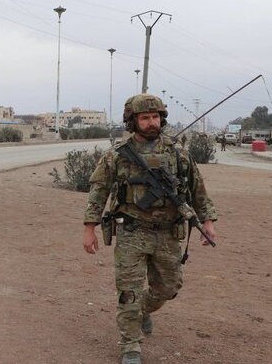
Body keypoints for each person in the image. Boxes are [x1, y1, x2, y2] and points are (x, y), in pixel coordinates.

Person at [82, 94, 218, 364]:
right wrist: (90, 228)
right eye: (145, 118)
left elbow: (197, 189)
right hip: (132, 232)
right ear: (133, 121)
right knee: (129, 291)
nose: (151, 122)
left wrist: (208, 221)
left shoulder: (178, 153)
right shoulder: (117, 155)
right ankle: (131, 345)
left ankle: (142, 310)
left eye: (155, 117)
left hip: (168, 233)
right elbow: (98, 192)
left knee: (169, 287)